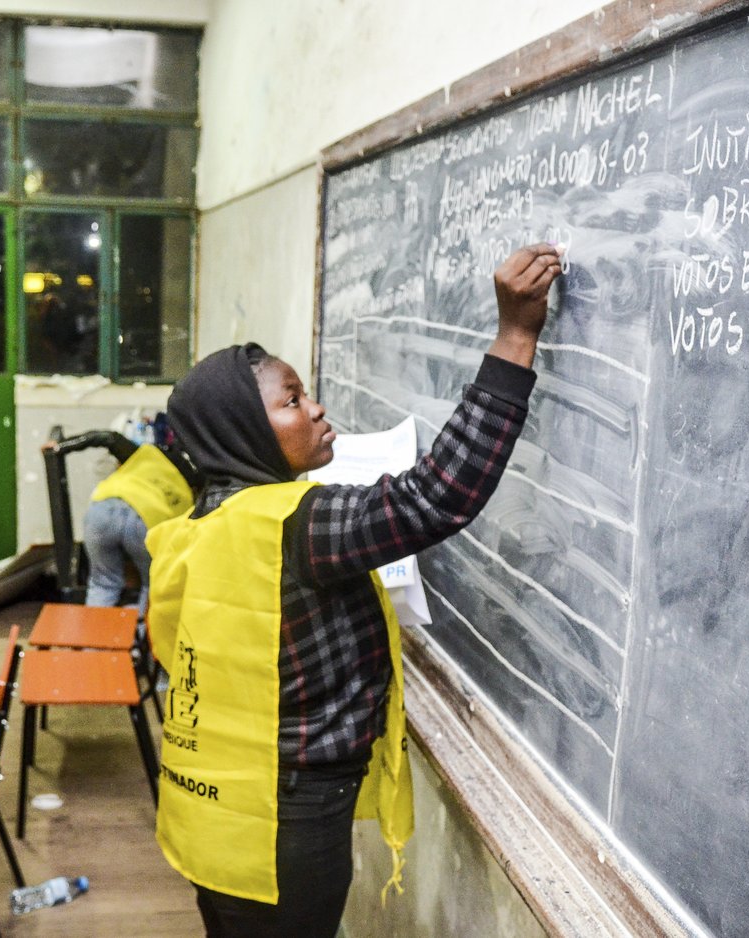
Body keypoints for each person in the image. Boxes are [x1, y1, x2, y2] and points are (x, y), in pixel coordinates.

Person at [146, 243, 563, 938]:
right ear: (244, 430)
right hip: (288, 820)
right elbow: (439, 496)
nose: (315, 408)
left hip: (210, 809)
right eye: (291, 400)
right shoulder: (297, 526)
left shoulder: (192, 529)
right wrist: (515, 336)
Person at [48, 423, 197, 609]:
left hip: (101, 510)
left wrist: (61, 446)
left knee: (104, 583)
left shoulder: (144, 454)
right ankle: (141, 633)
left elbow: (107, 437)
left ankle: (96, 635)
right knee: (154, 584)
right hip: (144, 520)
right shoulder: (190, 484)